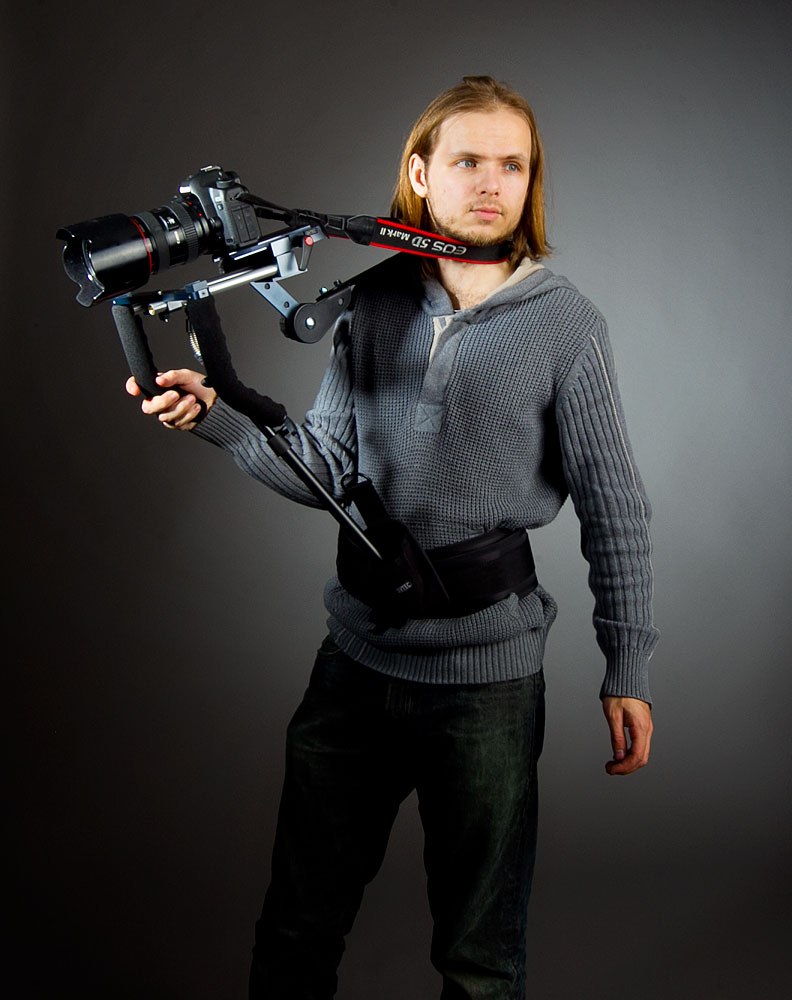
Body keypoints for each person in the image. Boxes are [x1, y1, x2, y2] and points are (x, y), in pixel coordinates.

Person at [127, 76, 658, 1000]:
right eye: (468, 160)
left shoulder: (566, 325)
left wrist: (629, 666)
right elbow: (326, 471)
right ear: (420, 173)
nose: (491, 182)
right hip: (356, 668)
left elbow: (616, 508)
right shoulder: (372, 302)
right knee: (297, 930)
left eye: (512, 166)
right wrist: (216, 416)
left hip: (488, 682)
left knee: (480, 959)